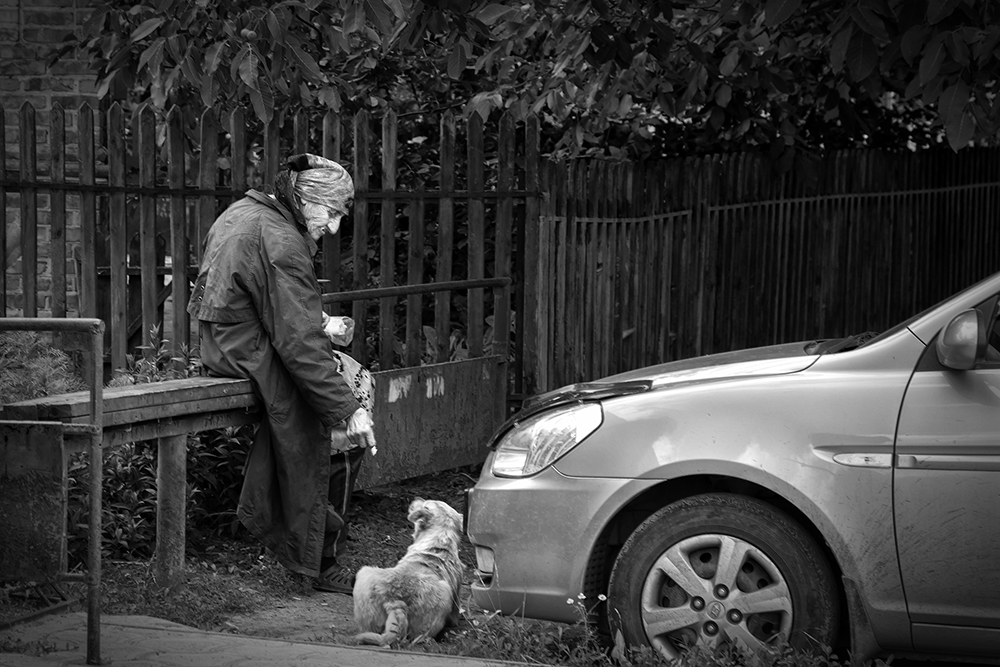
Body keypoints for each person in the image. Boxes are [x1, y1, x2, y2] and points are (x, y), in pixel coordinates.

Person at [187, 153, 376, 594]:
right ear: (306, 198)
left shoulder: (246, 211)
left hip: (224, 345)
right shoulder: (281, 239)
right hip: (248, 351)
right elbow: (297, 343)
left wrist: (320, 323)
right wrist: (346, 411)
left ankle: (312, 542)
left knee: (345, 387)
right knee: (339, 419)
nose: (333, 228)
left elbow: (260, 300)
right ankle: (320, 559)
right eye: (331, 213)